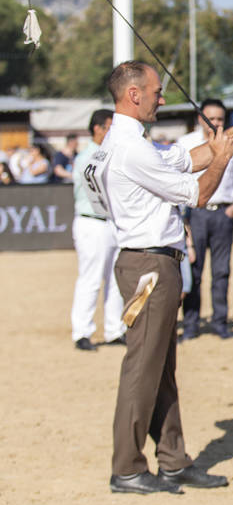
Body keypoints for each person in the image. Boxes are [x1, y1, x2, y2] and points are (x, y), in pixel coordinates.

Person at [85, 60, 233, 494]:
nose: (161, 98)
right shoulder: (131, 150)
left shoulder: (127, 143)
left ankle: (172, 461)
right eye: (156, 91)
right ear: (134, 94)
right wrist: (226, 156)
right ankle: (128, 468)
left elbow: (186, 159)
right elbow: (200, 192)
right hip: (149, 267)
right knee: (142, 369)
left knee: (160, 370)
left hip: (153, 263)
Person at [176, 98, 233, 340]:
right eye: (210, 119)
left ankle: (220, 322)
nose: (215, 123)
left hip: (223, 212)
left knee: (221, 271)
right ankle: (191, 324)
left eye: (219, 119)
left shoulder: (231, 142)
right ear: (199, 119)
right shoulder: (184, 144)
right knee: (194, 271)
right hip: (195, 214)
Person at [69, 109, 123, 351]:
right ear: (98, 128)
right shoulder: (86, 157)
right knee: (90, 278)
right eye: (109, 127)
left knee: (114, 278)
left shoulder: (109, 154)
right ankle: (82, 331)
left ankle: (114, 329)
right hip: (92, 220)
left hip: (111, 222)